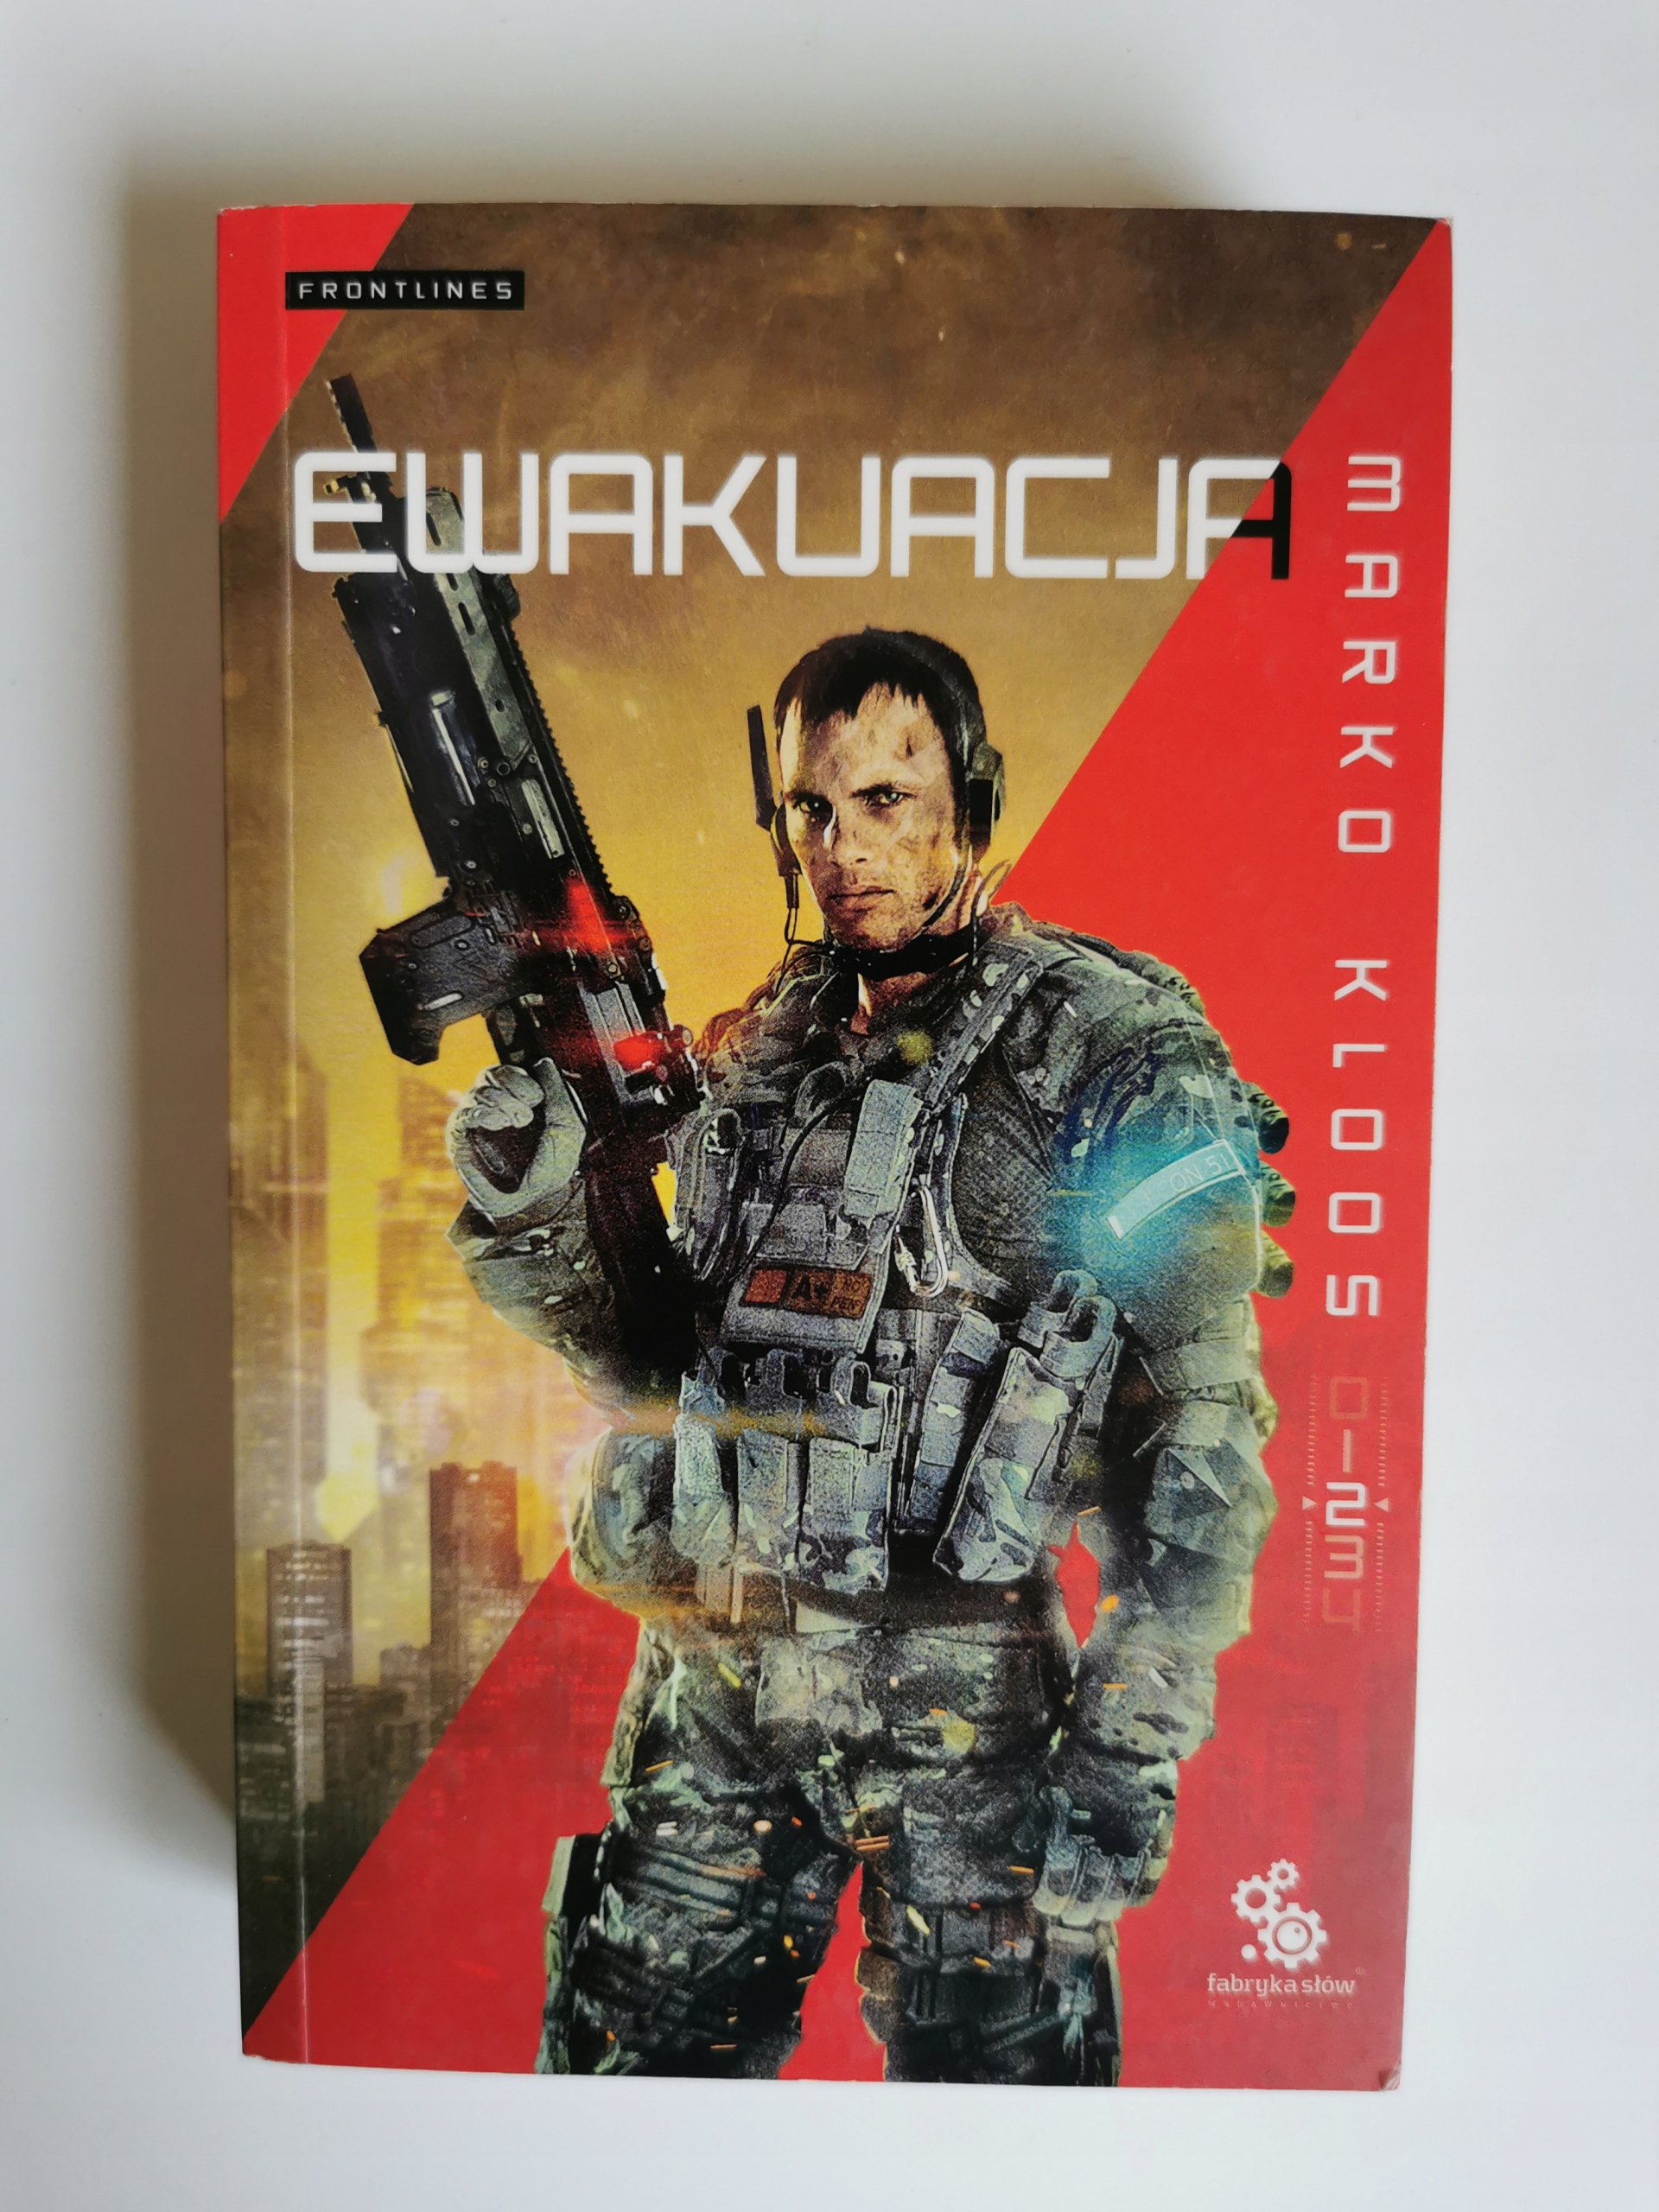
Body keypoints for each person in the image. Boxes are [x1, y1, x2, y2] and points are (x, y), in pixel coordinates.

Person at [445, 628, 1292, 2083]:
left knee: (997, 2136)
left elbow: (1200, 1431)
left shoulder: (1115, 1049)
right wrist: (537, 1202)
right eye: (811, 810)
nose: (842, 849)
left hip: (970, 1732)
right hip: (714, 1698)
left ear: (975, 801)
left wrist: (1127, 1757)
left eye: (886, 800)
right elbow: (645, 1359)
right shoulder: (762, 1051)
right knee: (619, 2111)